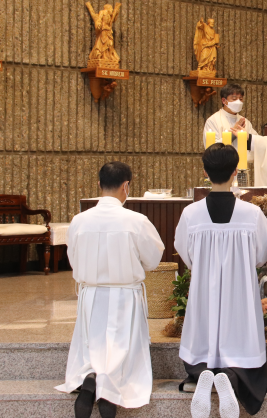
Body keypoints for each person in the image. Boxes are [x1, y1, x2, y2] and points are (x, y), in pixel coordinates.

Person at [56, 162, 165, 418]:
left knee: (91, 344)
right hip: (125, 296)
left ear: (99, 185)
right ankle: (110, 387)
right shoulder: (136, 221)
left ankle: (90, 376)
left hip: (91, 295)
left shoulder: (79, 221)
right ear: (126, 186)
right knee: (121, 348)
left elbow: (74, 260)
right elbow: (153, 259)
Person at [175, 143, 267, 418]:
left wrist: (204, 266)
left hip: (204, 289)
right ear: (234, 173)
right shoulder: (251, 214)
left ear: (205, 172)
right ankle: (232, 376)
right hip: (240, 290)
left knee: (203, 335)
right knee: (241, 339)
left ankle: (203, 371)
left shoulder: (191, 213)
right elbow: (263, 254)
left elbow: (185, 251)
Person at [203, 83, 260, 157]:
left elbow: (257, 144)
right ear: (224, 100)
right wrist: (232, 134)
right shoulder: (213, 120)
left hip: (244, 163)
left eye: (241, 99)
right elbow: (211, 149)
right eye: (234, 99)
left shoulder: (245, 121)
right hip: (223, 163)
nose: (238, 102)